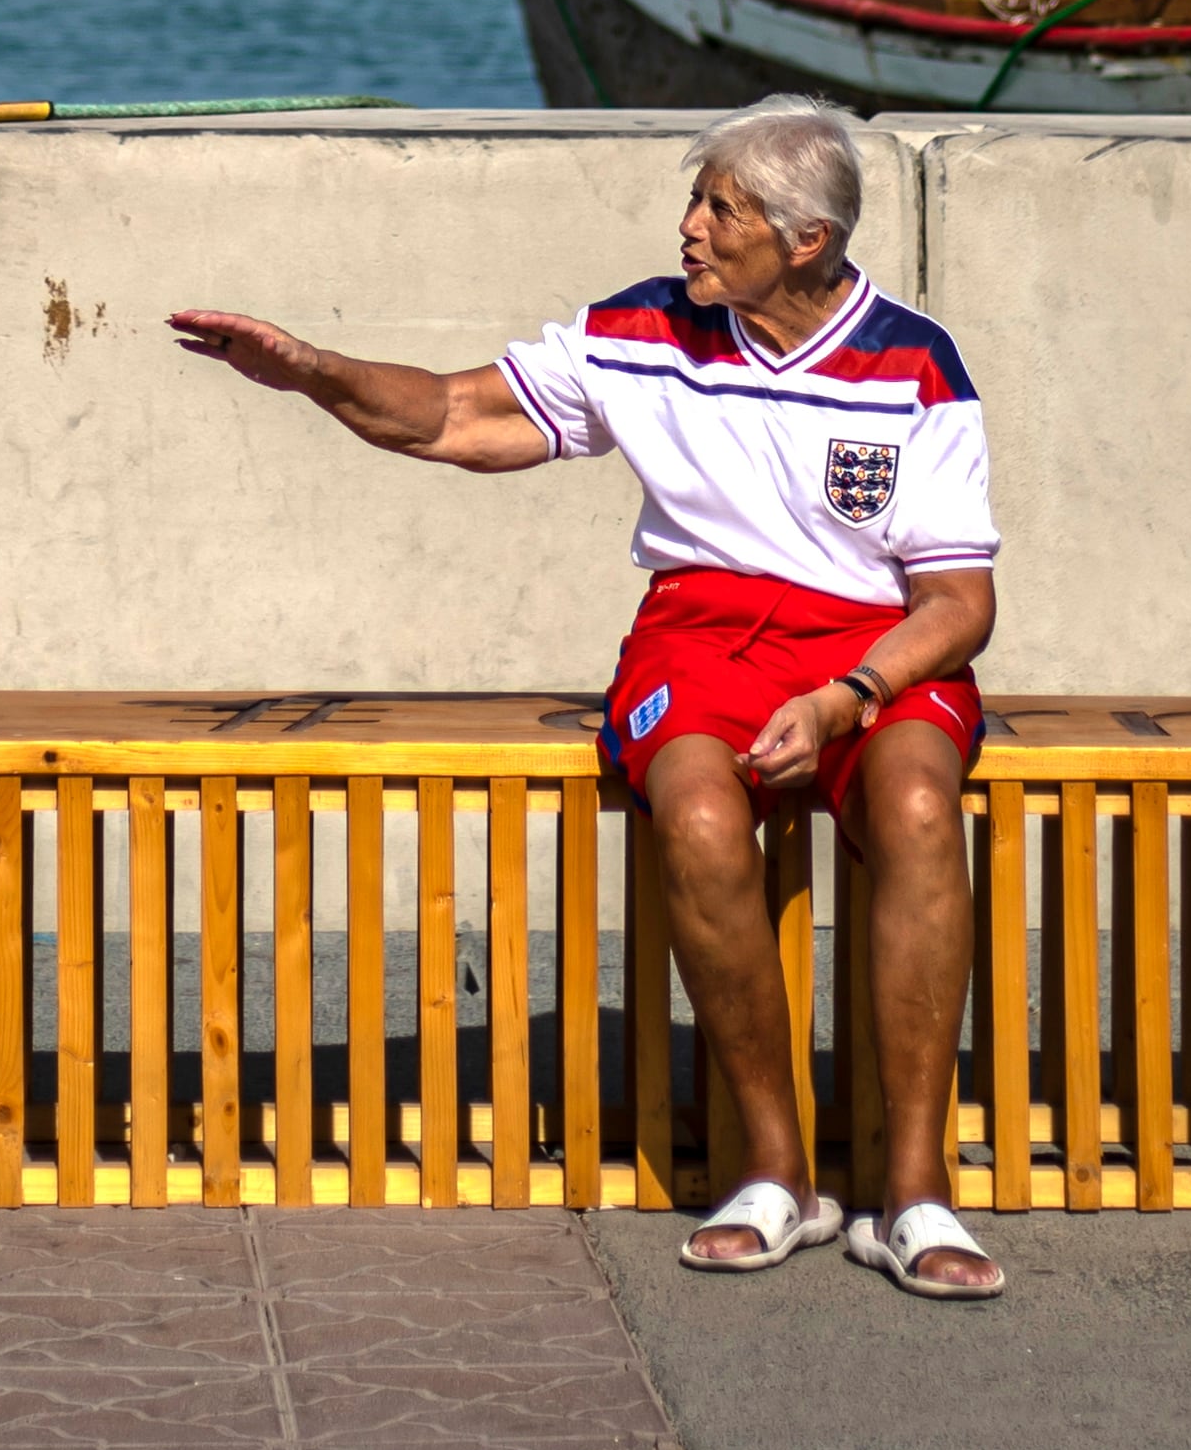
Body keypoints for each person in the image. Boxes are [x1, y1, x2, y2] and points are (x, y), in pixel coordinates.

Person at [169, 100, 1012, 1302]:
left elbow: (957, 603)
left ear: (808, 237)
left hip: (874, 642)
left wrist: (843, 698)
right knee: (701, 814)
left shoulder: (912, 359)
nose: (691, 227)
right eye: (696, 200)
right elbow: (461, 413)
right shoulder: (640, 328)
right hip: (702, 628)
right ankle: (777, 1174)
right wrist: (311, 372)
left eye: (720, 207)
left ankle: (915, 1193)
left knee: (920, 807)